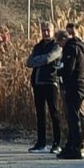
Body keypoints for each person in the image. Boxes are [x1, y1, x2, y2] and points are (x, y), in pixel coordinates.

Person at [25, 22, 64, 154]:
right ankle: (40, 142)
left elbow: (49, 58)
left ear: (53, 31)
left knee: (54, 113)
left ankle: (56, 143)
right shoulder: (38, 46)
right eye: (43, 30)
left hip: (51, 82)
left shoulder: (57, 46)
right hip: (37, 83)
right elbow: (29, 62)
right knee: (40, 114)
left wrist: (38, 60)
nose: (45, 33)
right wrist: (38, 60)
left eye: (48, 30)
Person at [57, 22, 84, 159]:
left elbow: (68, 68)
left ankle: (76, 147)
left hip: (75, 86)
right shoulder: (81, 46)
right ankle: (71, 144)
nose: (59, 46)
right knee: (72, 116)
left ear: (64, 39)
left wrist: (58, 71)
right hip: (79, 85)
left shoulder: (71, 48)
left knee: (74, 117)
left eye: (59, 43)